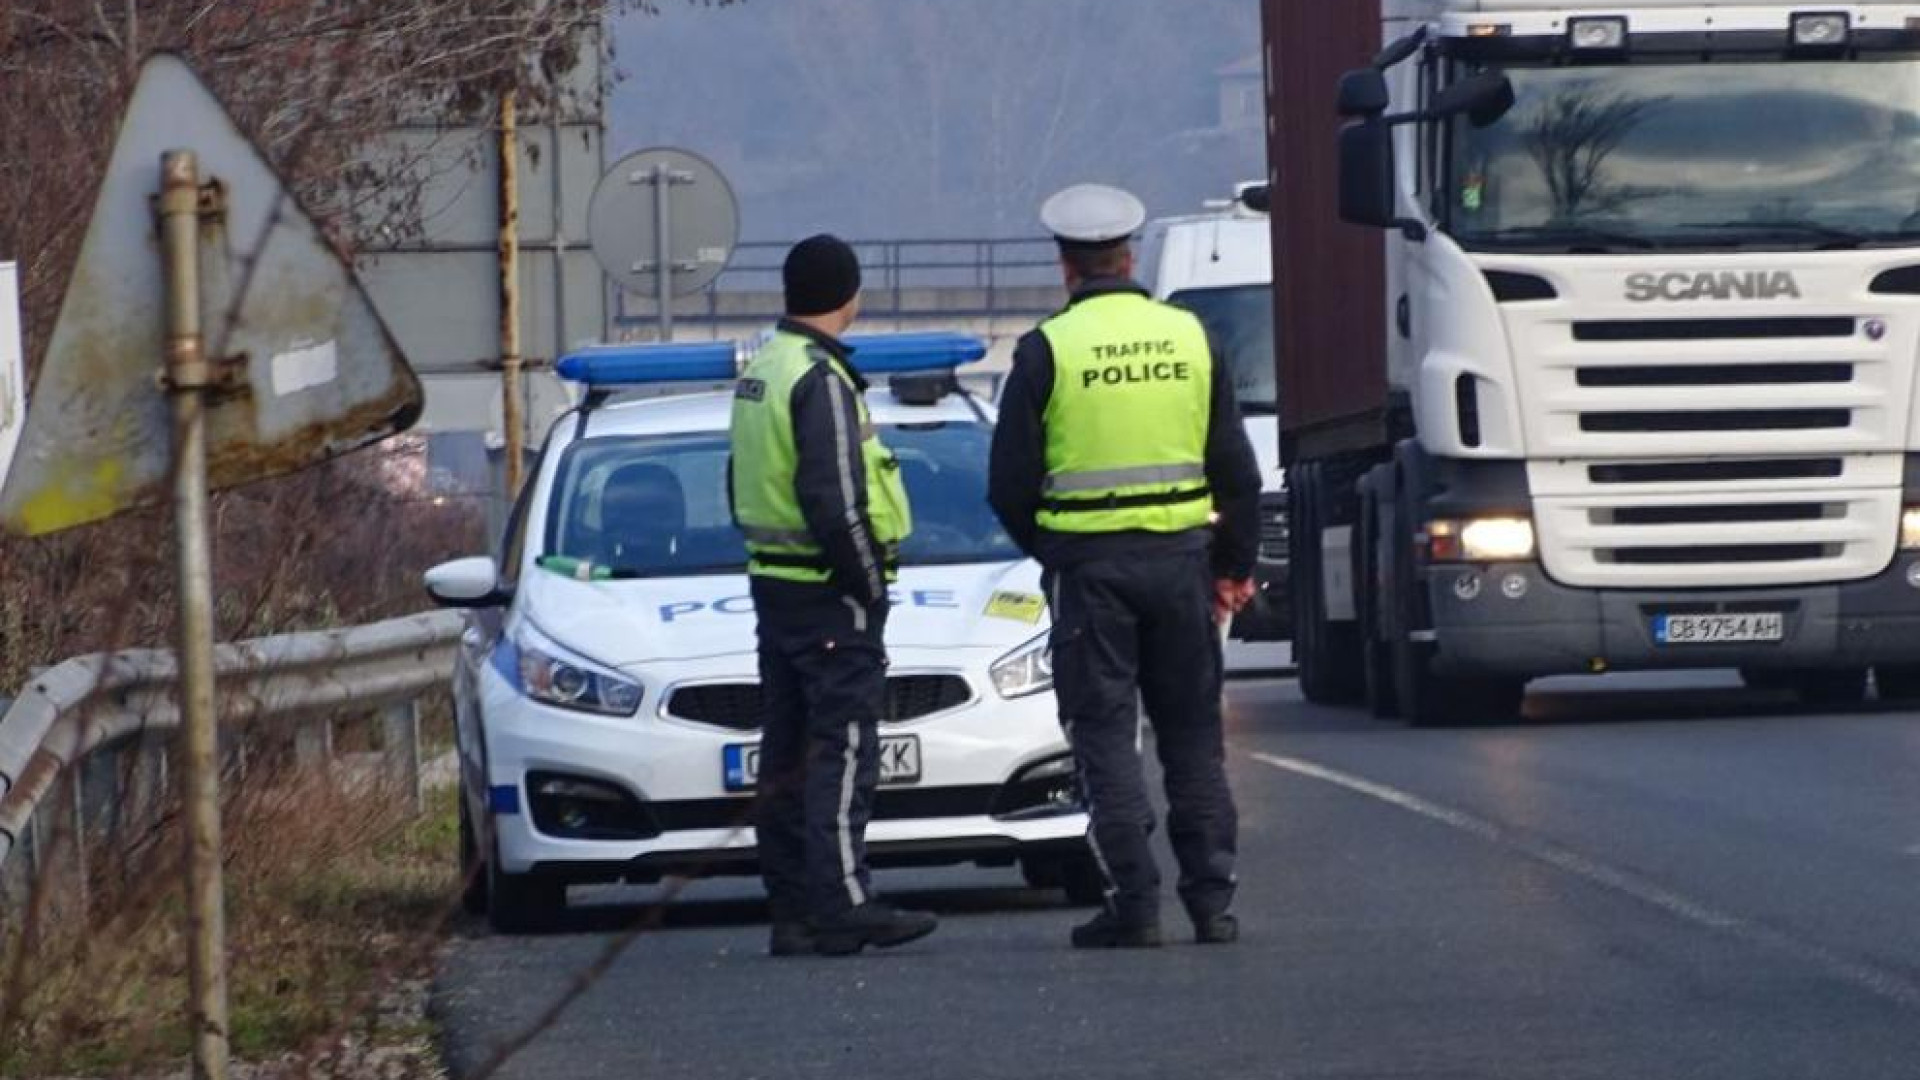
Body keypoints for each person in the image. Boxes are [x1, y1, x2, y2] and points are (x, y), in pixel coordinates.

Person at [988, 184, 1262, 948]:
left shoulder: (1047, 350)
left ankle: (1134, 906)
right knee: (1192, 740)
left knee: (1106, 737)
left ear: (1066, 266)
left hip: (1091, 575)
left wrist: (1056, 554)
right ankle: (1213, 904)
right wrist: (1231, 565)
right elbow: (1237, 472)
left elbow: (1007, 483)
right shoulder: (1189, 337)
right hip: (1181, 565)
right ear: (1130, 256)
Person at [728, 234, 939, 957]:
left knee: (786, 750)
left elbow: (744, 481)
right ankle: (846, 902)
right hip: (827, 591)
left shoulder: (763, 367)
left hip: (776, 588)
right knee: (843, 749)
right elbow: (836, 496)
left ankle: (792, 909)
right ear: (850, 296)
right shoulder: (818, 378)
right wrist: (869, 584)